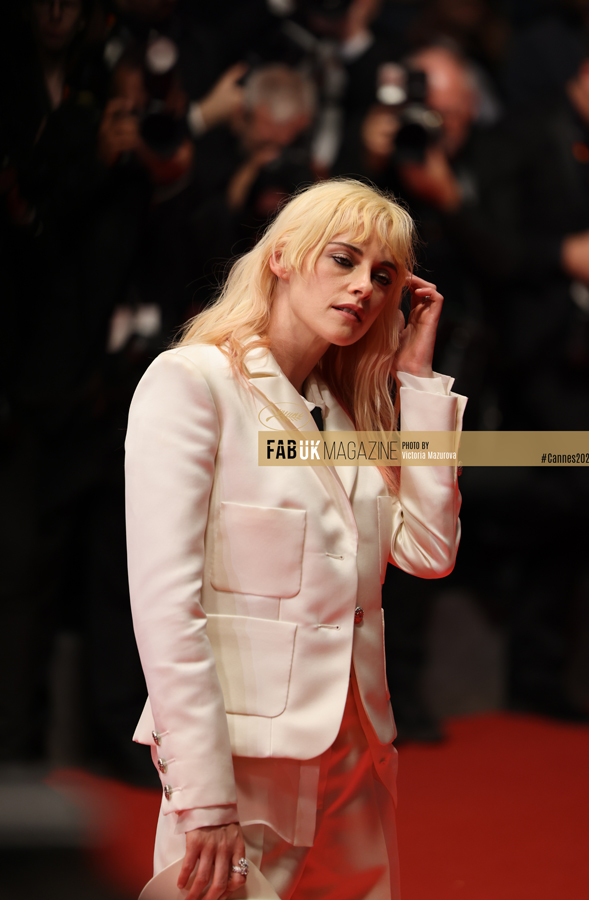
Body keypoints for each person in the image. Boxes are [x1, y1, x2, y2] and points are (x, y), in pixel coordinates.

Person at [125, 178, 466, 900]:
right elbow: (167, 613)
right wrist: (205, 799)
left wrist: (418, 382)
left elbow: (430, 552)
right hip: (244, 771)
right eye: (343, 260)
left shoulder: (339, 411)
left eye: (383, 276)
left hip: (356, 765)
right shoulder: (193, 382)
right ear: (281, 256)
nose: (364, 288)